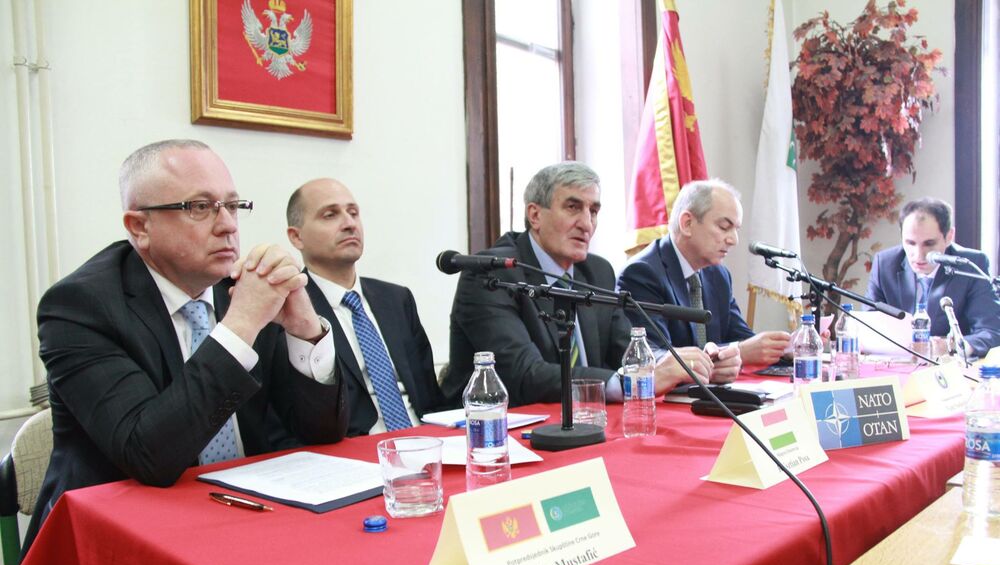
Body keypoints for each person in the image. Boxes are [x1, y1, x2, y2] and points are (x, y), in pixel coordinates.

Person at [26, 139, 348, 556]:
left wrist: (305, 331)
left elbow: (322, 434)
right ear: (139, 226)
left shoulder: (241, 288)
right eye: (200, 207)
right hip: (115, 540)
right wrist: (241, 325)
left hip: (243, 521)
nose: (228, 225)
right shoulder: (79, 307)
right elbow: (149, 455)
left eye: (233, 206)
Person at [441, 161, 727, 408]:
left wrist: (685, 364)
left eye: (593, 211)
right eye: (573, 207)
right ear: (535, 215)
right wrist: (629, 383)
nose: (586, 224)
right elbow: (525, 375)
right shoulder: (492, 275)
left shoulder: (597, 271)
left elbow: (625, 350)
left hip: (586, 420)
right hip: (497, 432)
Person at [286, 178, 446, 436]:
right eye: (330, 215)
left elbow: (431, 396)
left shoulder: (396, 299)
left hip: (426, 441)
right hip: (355, 454)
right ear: (296, 237)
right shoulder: (290, 310)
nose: (349, 224)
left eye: (353, 213)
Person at [617, 179, 790, 366]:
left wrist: (788, 349)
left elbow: (742, 339)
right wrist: (738, 352)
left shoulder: (718, 275)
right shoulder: (642, 274)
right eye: (724, 227)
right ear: (687, 223)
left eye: (735, 229)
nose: (733, 240)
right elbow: (654, 356)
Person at [865, 197, 1000, 357]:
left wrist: (952, 345)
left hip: (950, 370)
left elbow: (991, 331)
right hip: (896, 365)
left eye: (929, 244)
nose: (919, 254)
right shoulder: (885, 264)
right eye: (910, 243)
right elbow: (869, 328)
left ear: (949, 236)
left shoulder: (970, 265)